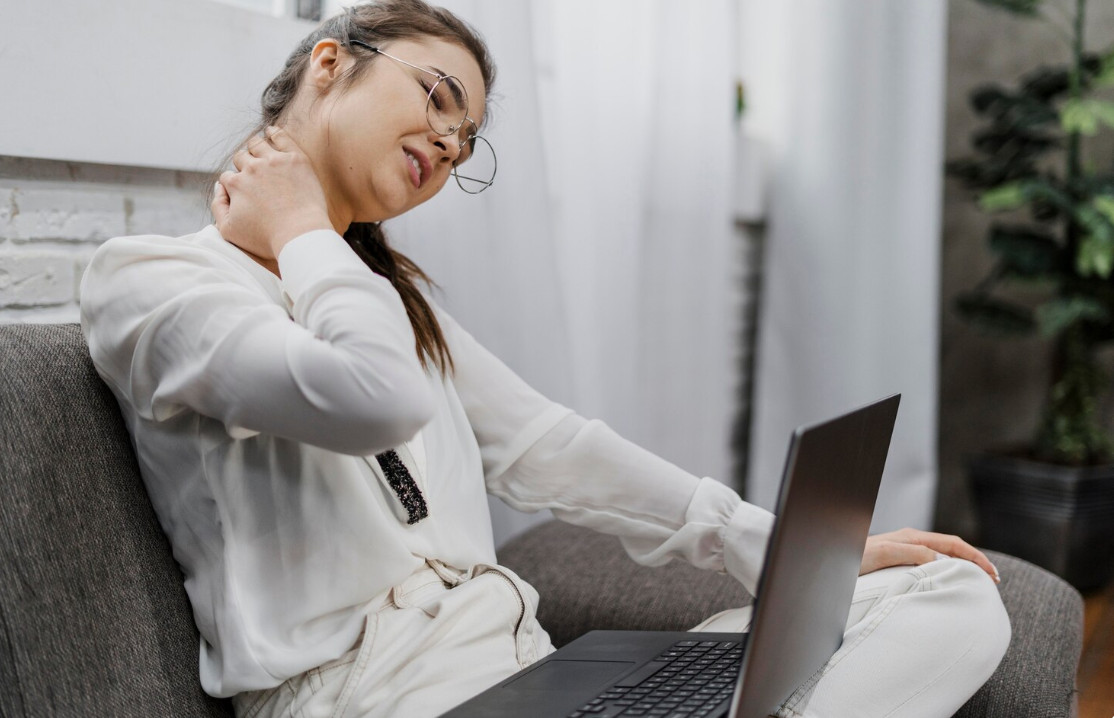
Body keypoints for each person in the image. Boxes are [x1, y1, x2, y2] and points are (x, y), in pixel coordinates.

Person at [79, 1, 1010, 716]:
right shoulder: (151, 282)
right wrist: (299, 227)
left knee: (949, 594)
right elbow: (370, 398)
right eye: (438, 99)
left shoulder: (387, 299)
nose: (449, 144)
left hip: (530, 679)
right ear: (330, 63)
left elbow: (548, 446)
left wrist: (773, 548)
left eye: (465, 142)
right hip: (373, 698)